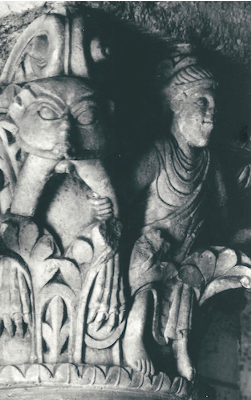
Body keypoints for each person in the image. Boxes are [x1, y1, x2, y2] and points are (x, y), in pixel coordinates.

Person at [122, 52, 226, 381]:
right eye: (202, 103)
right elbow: (121, 193)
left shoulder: (209, 163)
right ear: (177, 102)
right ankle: (132, 338)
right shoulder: (159, 153)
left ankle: (181, 350)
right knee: (147, 293)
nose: (211, 116)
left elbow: (223, 211)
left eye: (215, 107)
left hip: (182, 255)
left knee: (187, 286)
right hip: (149, 251)